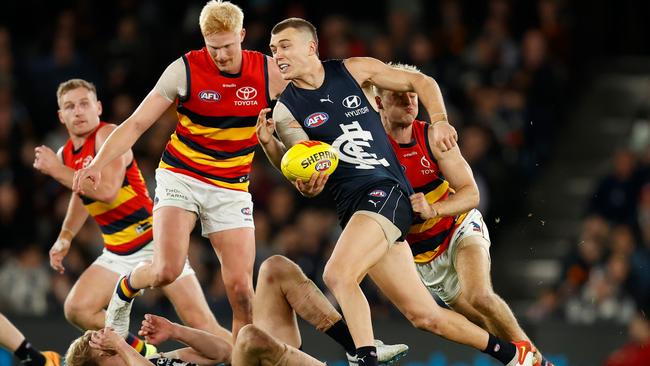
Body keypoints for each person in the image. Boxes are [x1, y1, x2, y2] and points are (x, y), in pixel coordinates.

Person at [256, 17, 535, 366]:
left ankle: (365, 355)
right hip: (355, 209)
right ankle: (515, 356)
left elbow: (421, 81)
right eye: (272, 49)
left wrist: (441, 118)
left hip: (384, 192)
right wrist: (273, 149)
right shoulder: (285, 110)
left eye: (284, 45)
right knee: (423, 316)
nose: (277, 54)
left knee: (336, 275)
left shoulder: (354, 71)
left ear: (310, 47)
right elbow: (306, 171)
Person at [71, 0, 287, 341]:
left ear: (242, 36)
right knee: (166, 271)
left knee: (242, 290)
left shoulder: (269, 71)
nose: (221, 55)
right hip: (181, 177)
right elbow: (137, 123)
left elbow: (310, 105)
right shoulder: (184, 69)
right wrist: (98, 164)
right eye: (213, 47)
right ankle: (126, 288)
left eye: (228, 46)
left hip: (231, 186)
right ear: (204, 40)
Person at [33, 78, 231, 355]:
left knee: (201, 323)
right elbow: (82, 194)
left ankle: (256, 357)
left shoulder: (108, 137)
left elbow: (107, 191)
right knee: (78, 309)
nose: (78, 111)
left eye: (84, 104)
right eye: (69, 106)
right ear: (61, 116)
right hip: (118, 251)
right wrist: (65, 237)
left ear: (98, 107)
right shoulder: (66, 154)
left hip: (153, 243)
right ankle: (143, 353)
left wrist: (55, 171)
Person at [374, 62, 553, 366]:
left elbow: (471, 193)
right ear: (378, 102)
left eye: (413, 96)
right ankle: (527, 360)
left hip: (458, 229)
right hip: (426, 259)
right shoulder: (370, 148)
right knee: (485, 329)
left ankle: (536, 362)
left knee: (480, 296)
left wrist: (434, 209)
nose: (408, 103)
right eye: (398, 97)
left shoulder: (432, 138)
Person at [66, 255, 408, 366]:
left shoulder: (158, 362)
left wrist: (176, 331)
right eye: (108, 351)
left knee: (275, 269)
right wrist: (123, 347)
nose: (116, 342)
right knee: (249, 337)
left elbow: (220, 352)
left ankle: (358, 351)